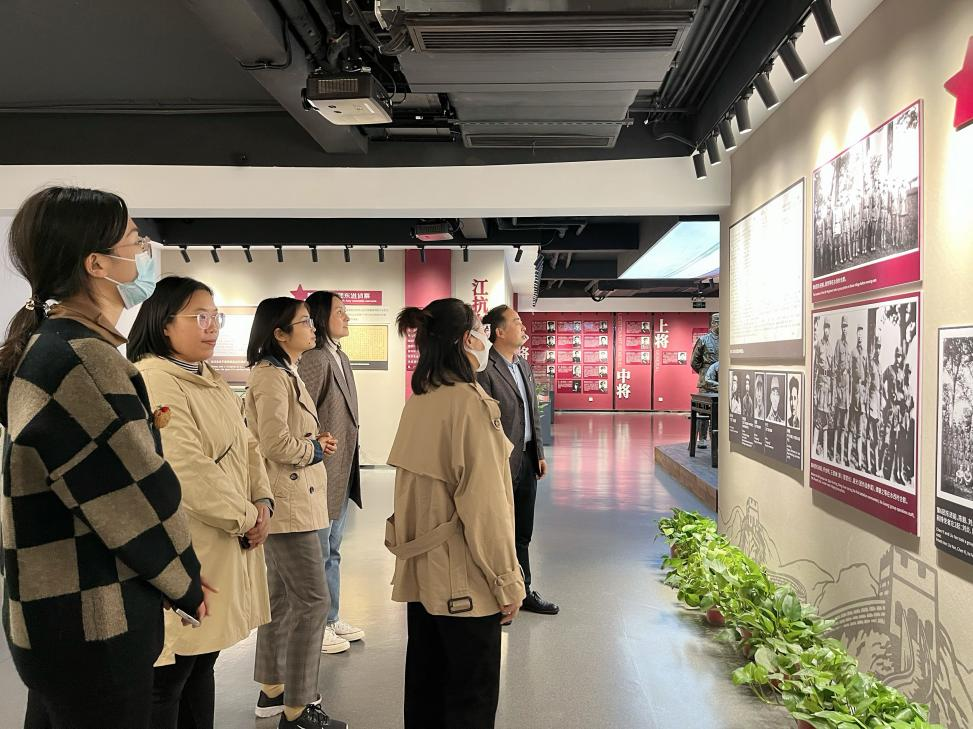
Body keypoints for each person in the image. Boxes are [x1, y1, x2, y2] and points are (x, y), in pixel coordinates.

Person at [0, 187, 206, 729]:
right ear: (97, 264)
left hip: (58, 613)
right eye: (136, 243)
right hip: (93, 615)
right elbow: (134, 492)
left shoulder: (55, 347)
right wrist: (182, 577)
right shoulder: (83, 359)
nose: (144, 255)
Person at [128, 277, 273, 729]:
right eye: (200, 316)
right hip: (189, 545)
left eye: (215, 316)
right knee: (171, 674)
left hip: (226, 538)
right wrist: (246, 517)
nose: (212, 326)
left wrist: (263, 500)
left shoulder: (209, 378)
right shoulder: (155, 379)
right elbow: (185, 469)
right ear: (164, 323)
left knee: (201, 662)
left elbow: (248, 444)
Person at [387, 299, 525, 729]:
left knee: (426, 692)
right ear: (467, 340)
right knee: (471, 700)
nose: (484, 337)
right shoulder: (470, 405)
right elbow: (486, 509)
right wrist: (507, 580)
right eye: (480, 329)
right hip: (465, 582)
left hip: (423, 577)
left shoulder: (420, 401)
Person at [245, 298, 346, 729]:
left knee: (283, 599)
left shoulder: (285, 371)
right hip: (290, 506)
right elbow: (273, 443)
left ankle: (273, 688)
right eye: (303, 322)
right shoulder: (271, 376)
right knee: (313, 601)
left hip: (294, 500)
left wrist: (312, 442)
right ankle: (298, 707)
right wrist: (314, 448)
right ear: (279, 333)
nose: (312, 327)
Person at [479, 305, 559, 616]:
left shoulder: (523, 365)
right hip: (499, 461)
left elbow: (532, 413)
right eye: (516, 322)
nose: (523, 326)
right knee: (499, 530)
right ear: (499, 332)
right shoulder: (485, 368)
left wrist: (539, 452)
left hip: (526, 458)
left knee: (523, 531)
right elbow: (484, 422)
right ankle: (498, 594)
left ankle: (522, 591)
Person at [298, 291, 365, 655]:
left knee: (333, 548)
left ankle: (331, 616)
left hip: (341, 468)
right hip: (322, 467)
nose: (347, 317)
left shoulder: (340, 355)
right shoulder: (315, 358)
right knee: (320, 550)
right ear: (322, 317)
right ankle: (317, 625)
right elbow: (303, 411)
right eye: (340, 312)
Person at [690, 313, 719, 447]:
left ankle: (716, 438)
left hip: (720, 381)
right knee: (703, 410)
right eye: (718, 322)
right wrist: (704, 374)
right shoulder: (703, 340)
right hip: (706, 383)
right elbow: (694, 362)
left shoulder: (726, 340)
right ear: (713, 323)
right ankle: (702, 438)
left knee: (718, 412)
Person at [832, 316, 853, 466]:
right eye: (843, 326)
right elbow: (834, 368)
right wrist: (835, 391)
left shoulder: (849, 346)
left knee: (844, 426)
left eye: (846, 326)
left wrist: (849, 394)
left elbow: (850, 372)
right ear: (841, 328)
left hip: (846, 394)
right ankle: (834, 454)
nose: (845, 329)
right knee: (837, 425)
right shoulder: (838, 344)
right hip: (839, 391)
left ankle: (842, 455)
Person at [813, 319, 833, 458]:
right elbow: (815, 369)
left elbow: (832, 372)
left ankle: (825, 453)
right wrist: (815, 393)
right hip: (820, 385)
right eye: (825, 327)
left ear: (830, 330)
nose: (826, 330)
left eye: (828, 328)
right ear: (823, 329)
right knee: (818, 419)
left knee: (825, 420)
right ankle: (814, 447)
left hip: (828, 386)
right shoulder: (818, 345)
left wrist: (831, 393)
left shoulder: (831, 347)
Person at [850, 326, 868, 468]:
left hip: (862, 394)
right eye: (858, 334)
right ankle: (849, 457)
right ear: (856, 335)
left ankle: (860, 460)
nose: (860, 336)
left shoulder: (865, 354)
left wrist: (866, 394)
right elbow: (851, 373)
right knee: (851, 427)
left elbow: (867, 375)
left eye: (862, 334)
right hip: (854, 392)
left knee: (860, 430)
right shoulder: (853, 352)